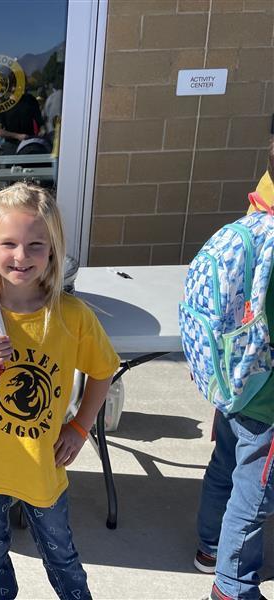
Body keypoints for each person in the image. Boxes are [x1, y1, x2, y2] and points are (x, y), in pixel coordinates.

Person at [0, 183, 119, 600]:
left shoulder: (71, 316)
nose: (21, 256)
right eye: (9, 244)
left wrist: (79, 427)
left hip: (42, 465)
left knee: (62, 555)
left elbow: (104, 371)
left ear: (53, 250)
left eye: (36, 244)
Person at [194, 139, 274, 600]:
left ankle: (209, 547)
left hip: (233, 377)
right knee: (255, 490)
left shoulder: (258, 210)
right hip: (266, 395)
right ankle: (233, 586)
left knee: (225, 463)